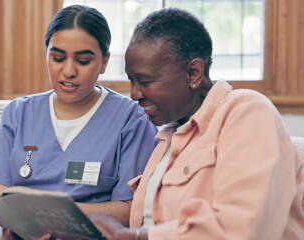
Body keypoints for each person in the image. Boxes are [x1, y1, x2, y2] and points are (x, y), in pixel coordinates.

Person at [89, 8, 304, 240]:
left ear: (193, 73)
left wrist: (137, 237)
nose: (134, 94)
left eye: (145, 81)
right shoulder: (169, 135)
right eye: (131, 80)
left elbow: (245, 228)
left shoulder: (247, 110)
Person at [0, 4, 159, 240]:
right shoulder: (18, 113)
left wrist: (52, 220)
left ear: (104, 62)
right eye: (58, 58)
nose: (68, 71)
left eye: (83, 60)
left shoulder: (131, 120)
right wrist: (6, 235)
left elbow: (127, 209)